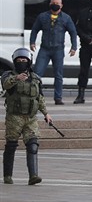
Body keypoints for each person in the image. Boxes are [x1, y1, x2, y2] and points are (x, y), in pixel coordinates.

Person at [2, 48, 53, 185]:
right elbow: (6, 85)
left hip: (30, 118)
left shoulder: (35, 78)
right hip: (14, 117)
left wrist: (46, 113)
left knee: (33, 145)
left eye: (24, 61)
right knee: (11, 146)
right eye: (19, 61)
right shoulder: (8, 75)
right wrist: (16, 78)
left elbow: (39, 97)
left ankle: (33, 176)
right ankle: (7, 175)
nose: (21, 63)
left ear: (29, 62)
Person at [30, 0, 78, 105]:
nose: (55, 4)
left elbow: (73, 32)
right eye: (53, 2)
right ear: (50, 4)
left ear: (61, 5)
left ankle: (58, 98)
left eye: (57, 3)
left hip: (58, 50)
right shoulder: (42, 17)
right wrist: (32, 42)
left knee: (58, 75)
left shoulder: (66, 18)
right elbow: (35, 30)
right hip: (44, 49)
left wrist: (74, 47)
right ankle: (35, 96)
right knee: (37, 73)